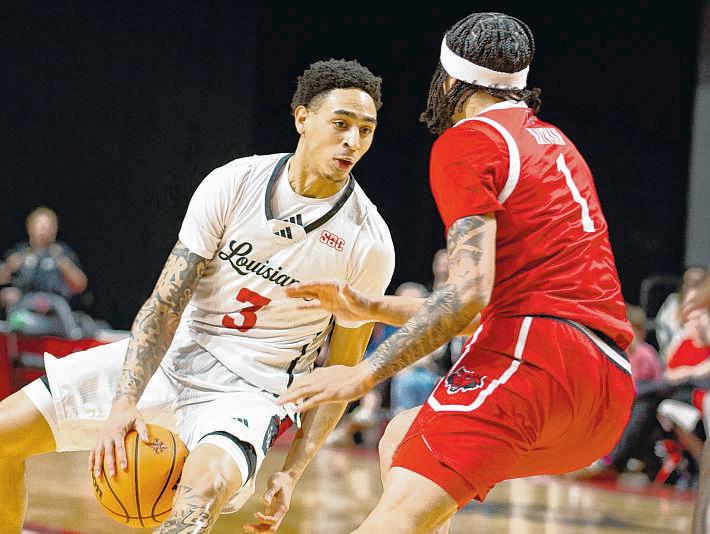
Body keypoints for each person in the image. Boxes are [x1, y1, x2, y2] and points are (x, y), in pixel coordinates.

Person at [0, 58, 395, 534]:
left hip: (251, 392)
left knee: (200, 496)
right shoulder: (235, 182)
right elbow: (165, 303)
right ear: (302, 118)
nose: (353, 141)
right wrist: (124, 402)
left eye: (366, 130)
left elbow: (342, 375)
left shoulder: (368, 242)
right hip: (176, 354)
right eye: (341, 124)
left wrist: (292, 471)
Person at [281, 12, 634, 533]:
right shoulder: (556, 142)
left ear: (448, 81)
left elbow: (467, 297)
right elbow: (484, 310)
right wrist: (368, 306)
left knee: (390, 522)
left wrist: (363, 373)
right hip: (606, 390)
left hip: (535, 363)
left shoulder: (469, 141)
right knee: (402, 437)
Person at [0, 206, 88, 316]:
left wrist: (64, 264)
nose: (44, 229)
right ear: (30, 227)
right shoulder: (20, 251)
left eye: (48, 225)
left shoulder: (62, 252)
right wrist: (9, 267)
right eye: (40, 225)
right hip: (23, 307)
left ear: (55, 229)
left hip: (56, 308)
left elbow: (80, 286)